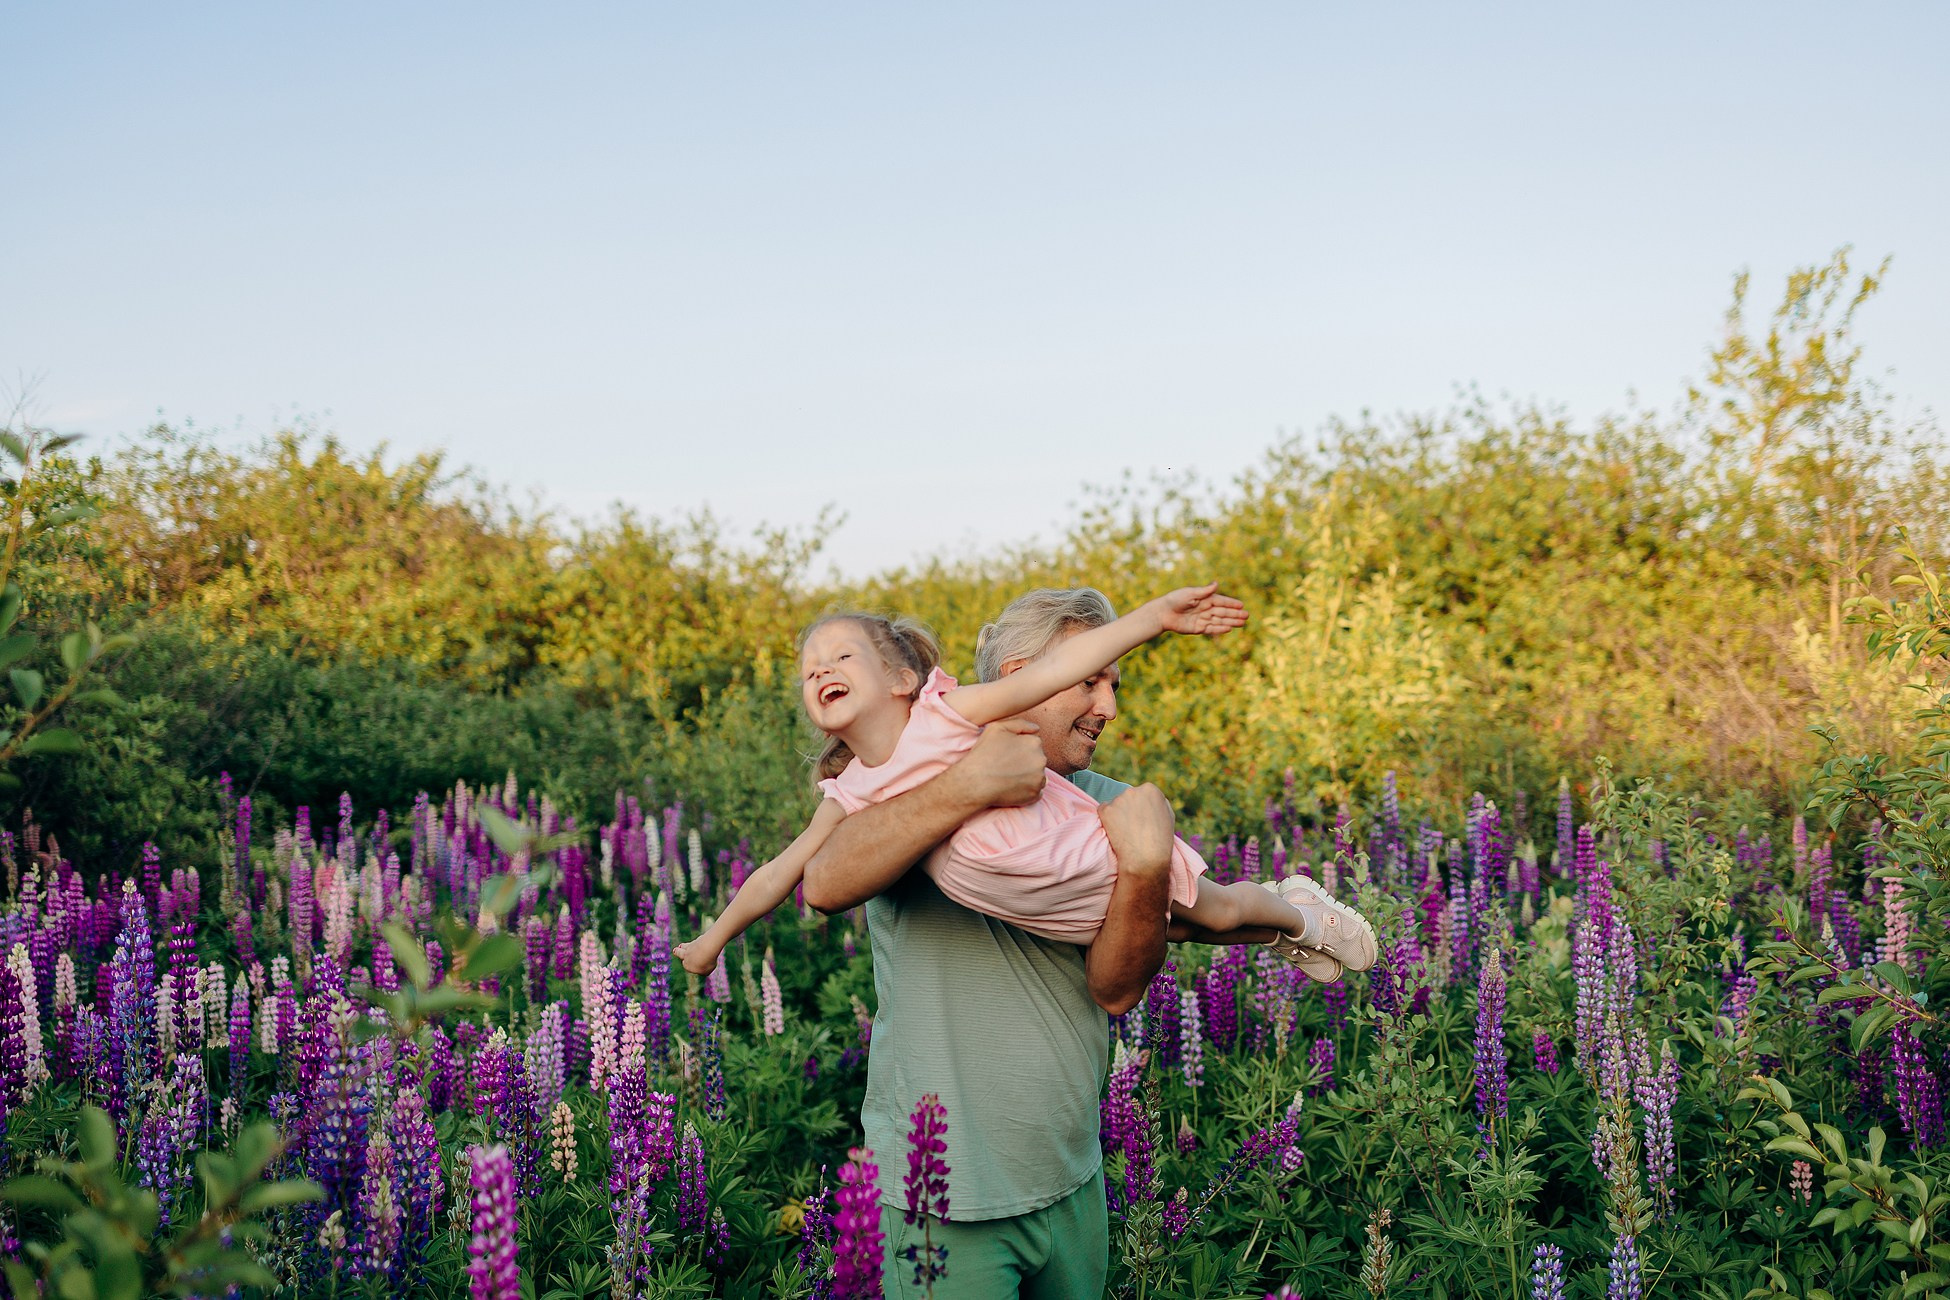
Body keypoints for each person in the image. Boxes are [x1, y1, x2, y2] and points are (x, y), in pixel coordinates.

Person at [791, 587, 1357, 1298]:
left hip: (1071, 1176)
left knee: (1202, 911)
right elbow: (824, 882)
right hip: (941, 1194)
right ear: (1025, 676)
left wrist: (1148, 864)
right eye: (1092, 680)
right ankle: (1291, 916)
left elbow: (1120, 985)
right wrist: (969, 786)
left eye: (1114, 684)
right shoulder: (906, 777)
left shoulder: (1102, 801)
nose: (1109, 708)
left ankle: (1292, 916)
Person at [675, 583, 1375, 980]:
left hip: (1073, 853)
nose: (822, 669)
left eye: (842, 654)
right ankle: (1285, 931)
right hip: (1039, 895)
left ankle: (1299, 914)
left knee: (1212, 912)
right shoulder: (854, 791)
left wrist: (1153, 620)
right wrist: (713, 940)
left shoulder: (947, 716)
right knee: (1187, 925)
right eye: (809, 669)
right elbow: (789, 876)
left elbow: (1049, 673)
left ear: (900, 679)